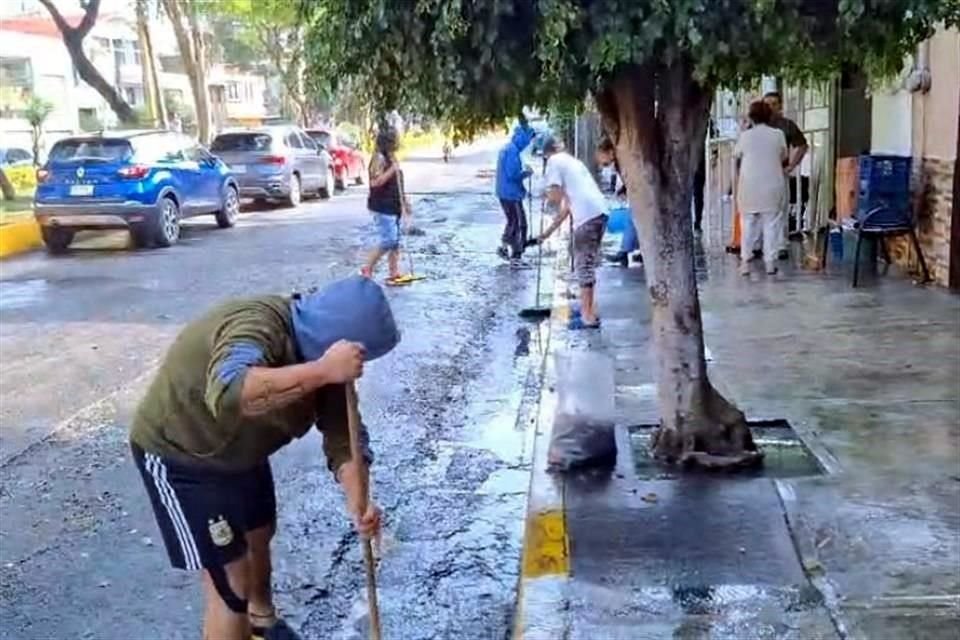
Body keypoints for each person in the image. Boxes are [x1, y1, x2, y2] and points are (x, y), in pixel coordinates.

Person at [129, 276, 399, 640]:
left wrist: (360, 501)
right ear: (334, 344)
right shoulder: (256, 324)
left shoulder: (329, 360)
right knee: (230, 582)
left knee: (259, 533)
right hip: (184, 453)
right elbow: (231, 393)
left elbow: (343, 436)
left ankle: (262, 620)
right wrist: (323, 371)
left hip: (243, 452)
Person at [536, 136, 610, 328]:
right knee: (582, 259)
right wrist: (546, 233)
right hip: (598, 213)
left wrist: (542, 192)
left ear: (547, 153)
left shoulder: (554, 161)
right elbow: (566, 207)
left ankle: (588, 317)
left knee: (583, 265)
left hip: (587, 216)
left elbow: (555, 196)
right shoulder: (572, 163)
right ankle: (590, 310)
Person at [734, 100, 788, 276]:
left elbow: (737, 155)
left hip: (749, 183)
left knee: (748, 224)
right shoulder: (778, 134)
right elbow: (783, 154)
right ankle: (770, 263)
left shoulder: (745, 136)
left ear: (751, 117)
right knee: (771, 224)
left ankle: (745, 263)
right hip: (773, 183)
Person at [362, 127, 411, 284]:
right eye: (394, 141)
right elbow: (375, 182)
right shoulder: (379, 158)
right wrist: (391, 170)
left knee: (395, 241)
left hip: (393, 205)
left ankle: (394, 272)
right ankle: (367, 267)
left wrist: (405, 201)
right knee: (389, 240)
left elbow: (398, 181)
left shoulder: (391, 157)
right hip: (382, 206)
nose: (397, 143)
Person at [763, 91, 808, 258]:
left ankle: (780, 245)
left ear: (780, 106)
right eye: (767, 104)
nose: (770, 107)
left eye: (774, 103)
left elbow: (802, 145)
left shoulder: (786, 125)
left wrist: (791, 166)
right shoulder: (757, 125)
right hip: (759, 172)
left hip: (779, 171)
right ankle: (762, 244)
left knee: (780, 208)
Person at [495, 122, 536, 266]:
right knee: (518, 223)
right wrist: (527, 173)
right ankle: (512, 252)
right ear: (521, 137)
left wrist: (524, 191)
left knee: (514, 221)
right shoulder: (512, 151)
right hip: (510, 194)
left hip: (506, 193)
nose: (528, 143)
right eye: (528, 139)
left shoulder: (509, 149)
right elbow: (513, 175)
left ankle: (512, 250)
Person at [595, 138, 638, 267]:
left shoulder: (622, 159)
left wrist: (625, 189)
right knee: (634, 220)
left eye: (602, 155)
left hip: (640, 193)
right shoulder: (619, 160)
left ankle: (624, 252)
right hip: (636, 192)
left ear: (610, 152)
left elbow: (631, 176)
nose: (601, 160)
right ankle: (628, 252)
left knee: (633, 218)